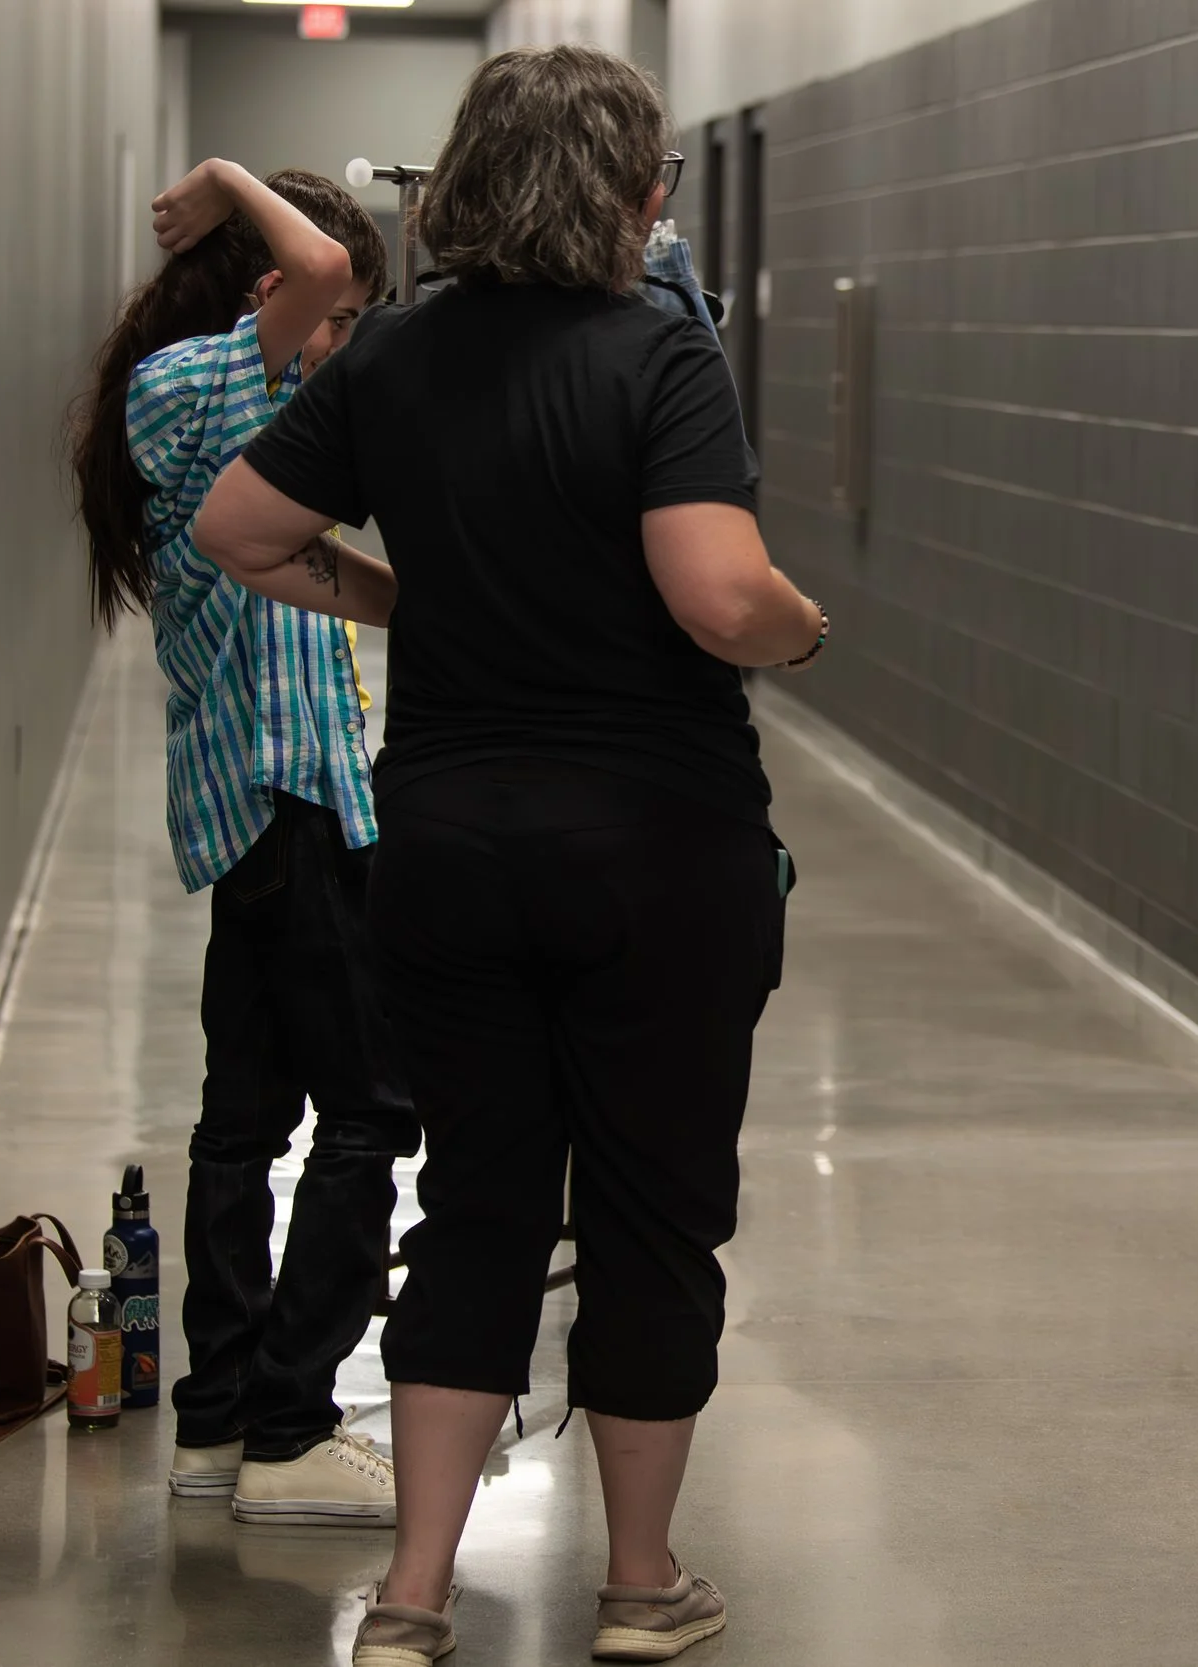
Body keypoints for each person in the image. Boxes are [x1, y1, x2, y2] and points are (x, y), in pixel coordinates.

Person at [189, 47, 827, 1667]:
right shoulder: (659, 356)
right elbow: (716, 593)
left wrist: (407, 601)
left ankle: (411, 1597)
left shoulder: (394, 356)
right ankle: (636, 1582)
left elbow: (237, 533)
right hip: (656, 854)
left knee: (470, 1200)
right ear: (628, 192)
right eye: (660, 173)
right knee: (649, 1213)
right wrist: (799, 624)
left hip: (449, 850)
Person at [72, 159, 417, 1527]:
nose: (343, 346)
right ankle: (289, 1415)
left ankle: (217, 1423)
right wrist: (225, 180)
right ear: (271, 289)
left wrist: (448, 603)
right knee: (373, 1109)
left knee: (247, 1114)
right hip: (286, 801)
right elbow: (329, 273)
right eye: (334, 321)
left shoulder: (233, 409)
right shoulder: (201, 386)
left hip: (274, 805)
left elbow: (311, 564)